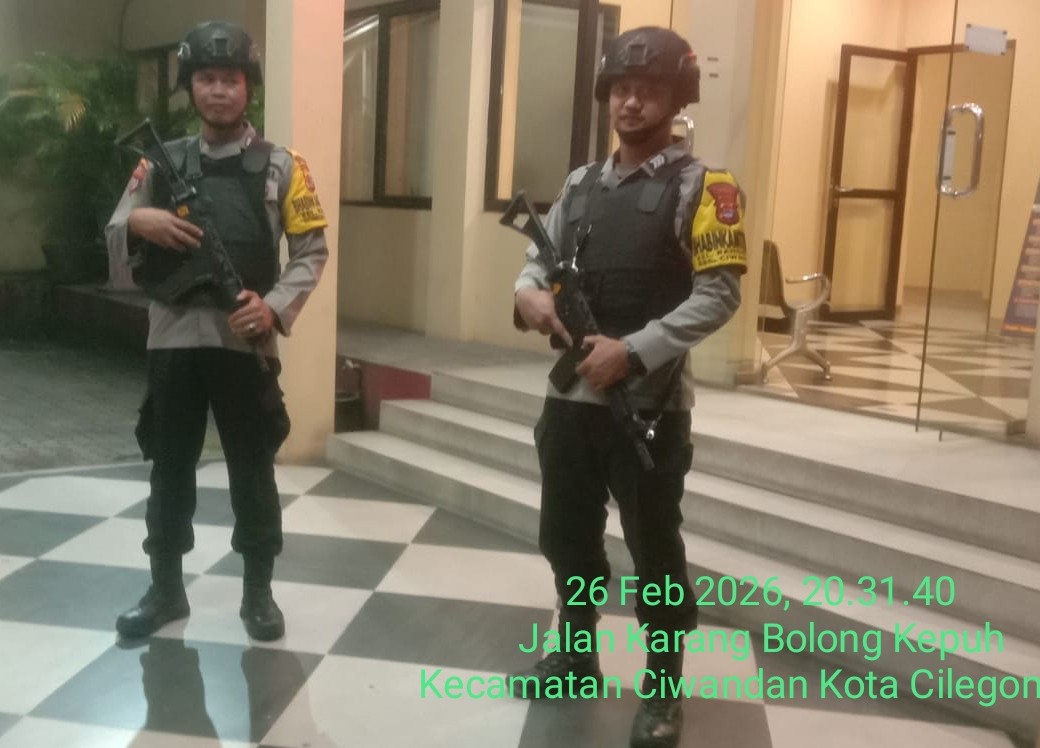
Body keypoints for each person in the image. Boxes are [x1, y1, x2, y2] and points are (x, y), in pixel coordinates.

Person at [511, 26, 746, 748]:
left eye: (648, 90)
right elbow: (538, 257)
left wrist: (634, 352)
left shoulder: (705, 187)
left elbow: (719, 294)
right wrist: (528, 293)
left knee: (655, 553)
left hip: (649, 406)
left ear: (676, 100)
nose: (632, 102)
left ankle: (663, 689)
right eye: (621, 89)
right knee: (565, 535)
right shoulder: (581, 184)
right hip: (570, 399)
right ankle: (577, 654)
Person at [106, 20, 328, 642]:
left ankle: (258, 592)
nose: (219, 90)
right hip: (173, 339)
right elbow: (116, 229)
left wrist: (274, 308)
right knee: (169, 468)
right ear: (191, 87)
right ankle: (165, 589)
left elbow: (312, 249)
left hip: (243, 342)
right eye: (206, 78)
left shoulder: (283, 165)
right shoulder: (158, 162)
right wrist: (142, 221)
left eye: (230, 79)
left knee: (252, 471)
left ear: (248, 86)